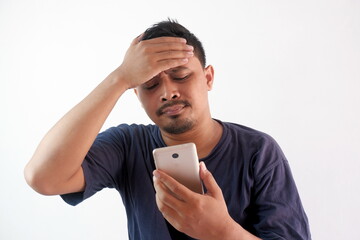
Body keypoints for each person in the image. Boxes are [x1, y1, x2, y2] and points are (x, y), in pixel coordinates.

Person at [24, 19, 311, 239]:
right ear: (136, 95)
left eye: (181, 75)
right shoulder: (128, 145)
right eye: (150, 84)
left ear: (208, 78)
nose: (168, 92)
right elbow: (44, 177)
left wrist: (223, 232)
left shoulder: (258, 151)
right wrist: (120, 78)